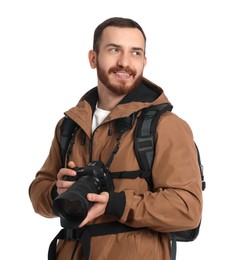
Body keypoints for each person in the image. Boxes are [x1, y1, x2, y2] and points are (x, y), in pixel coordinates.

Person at [29, 17, 203, 260]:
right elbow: (38, 190)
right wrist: (55, 192)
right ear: (93, 58)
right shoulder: (70, 125)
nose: (125, 62)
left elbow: (188, 209)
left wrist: (117, 204)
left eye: (135, 53)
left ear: (144, 61)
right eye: (114, 50)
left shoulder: (166, 127)